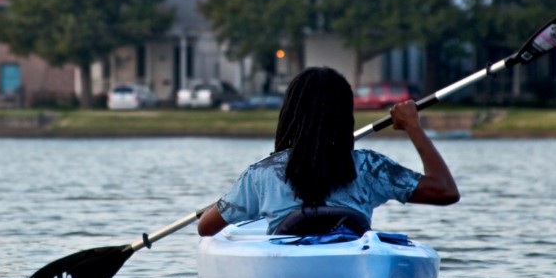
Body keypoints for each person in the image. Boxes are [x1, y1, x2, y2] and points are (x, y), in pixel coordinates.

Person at [197, 66, 459, 237]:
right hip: (349, 261)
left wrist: (227, 204)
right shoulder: (370, 168)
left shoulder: (260, 175)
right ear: (345, 116)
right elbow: (445, 190)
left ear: (290, 114)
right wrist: (413, 127)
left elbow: (205, 228)